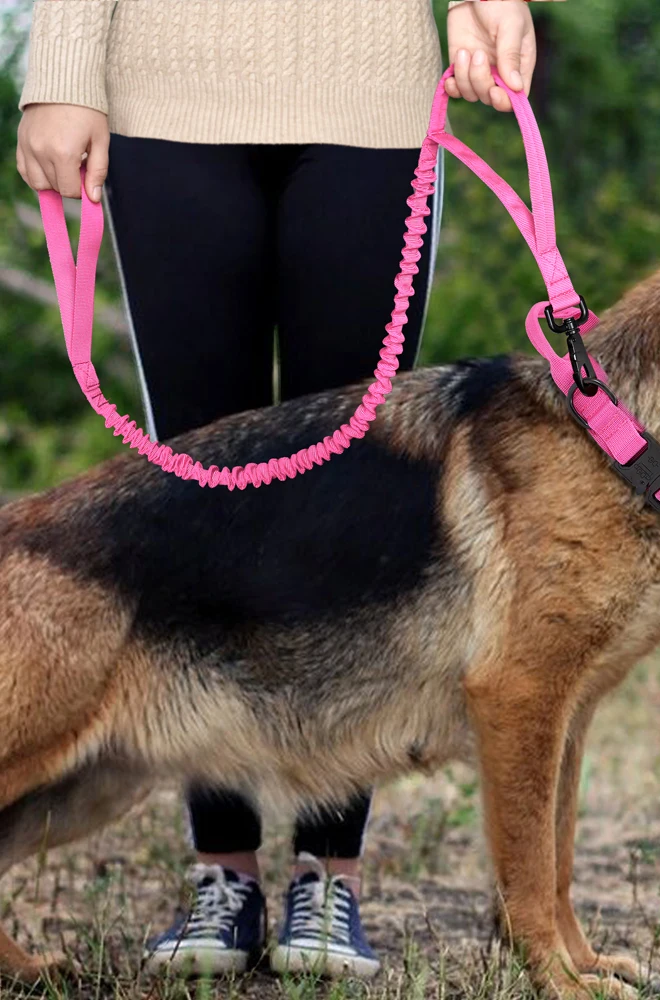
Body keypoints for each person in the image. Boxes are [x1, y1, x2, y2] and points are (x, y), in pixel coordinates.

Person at [16, 0, 545, 979]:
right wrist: (61, 71)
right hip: (165, 87)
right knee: (192, 494)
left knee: (353, 500)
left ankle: (326, 875)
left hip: (370, 85)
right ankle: (223, 875)